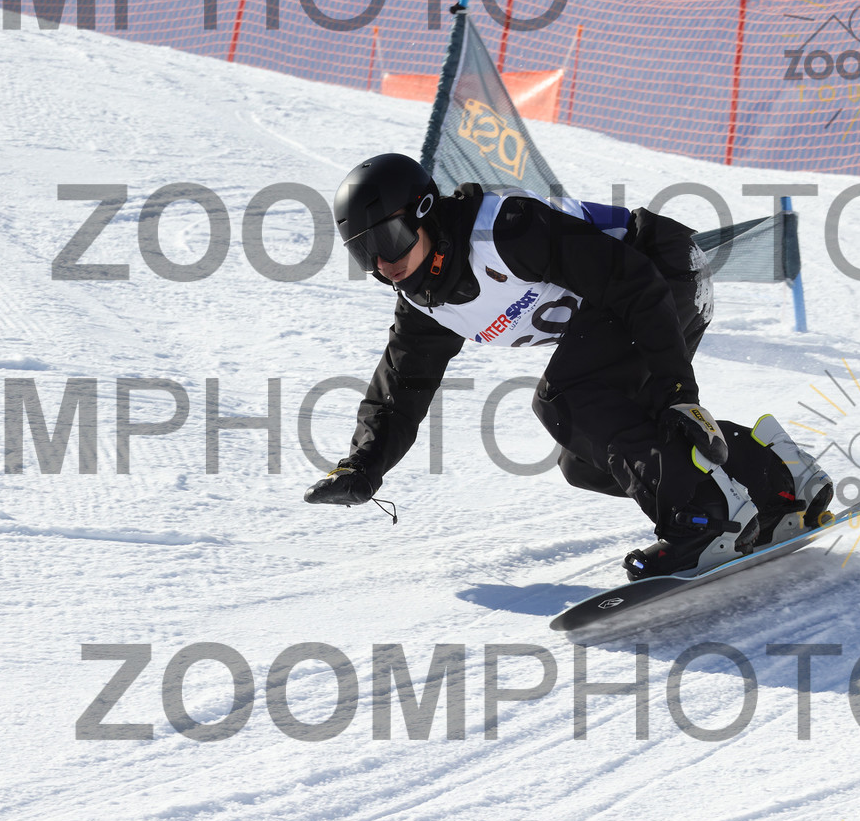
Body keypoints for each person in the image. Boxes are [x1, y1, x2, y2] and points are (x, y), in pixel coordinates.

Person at [303, 152, 832, 581]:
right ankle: (779, 483)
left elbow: (631, 281)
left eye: (388, 240)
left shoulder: (503, 231)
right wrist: (364, 465)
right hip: (640, 296)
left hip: (660, 273)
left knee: (566, 396)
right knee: (585, 462)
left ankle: (705, 519)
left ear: (424, 211)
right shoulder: (425, 303)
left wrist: (676, 390)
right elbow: (400, 390)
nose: (384, 264)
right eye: (365, 254)